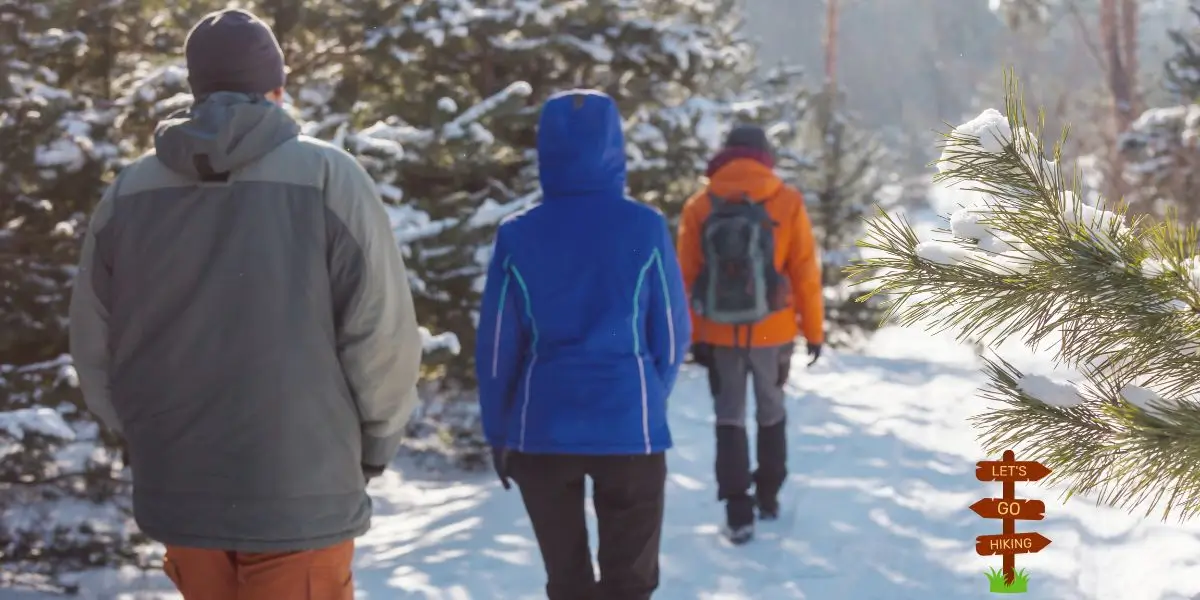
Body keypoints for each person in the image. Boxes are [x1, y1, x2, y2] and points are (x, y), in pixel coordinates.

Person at [67, 8, 423, 600]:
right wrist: (376, 444)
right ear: (277, 90)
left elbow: (95, 342)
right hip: (302, 493)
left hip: (180, 486)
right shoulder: (329, 177)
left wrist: (142, 438)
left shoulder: (129, 192)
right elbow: (380, 334)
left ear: (196, 89)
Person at [475, 89, 691, 600]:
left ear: (544, 150)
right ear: (616, 145)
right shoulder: (644, 226)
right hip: (628, 426)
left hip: (543, 425)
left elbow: (498, 345)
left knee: (568, 584)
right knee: (630, 584)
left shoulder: (519, 234)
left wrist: (500, 431)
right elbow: (672, 331)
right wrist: (645, 393)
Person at [676, 125, 824, 545]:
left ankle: (738, 512)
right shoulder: (787, 200)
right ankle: (769, 494)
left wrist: (691, 335)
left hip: (718, 332)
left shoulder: (700, 205)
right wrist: (813, 331)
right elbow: (805, 273)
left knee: (729, 416)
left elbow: (683, 278)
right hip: (773, 331)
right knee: (771, 409)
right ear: (765, 156)